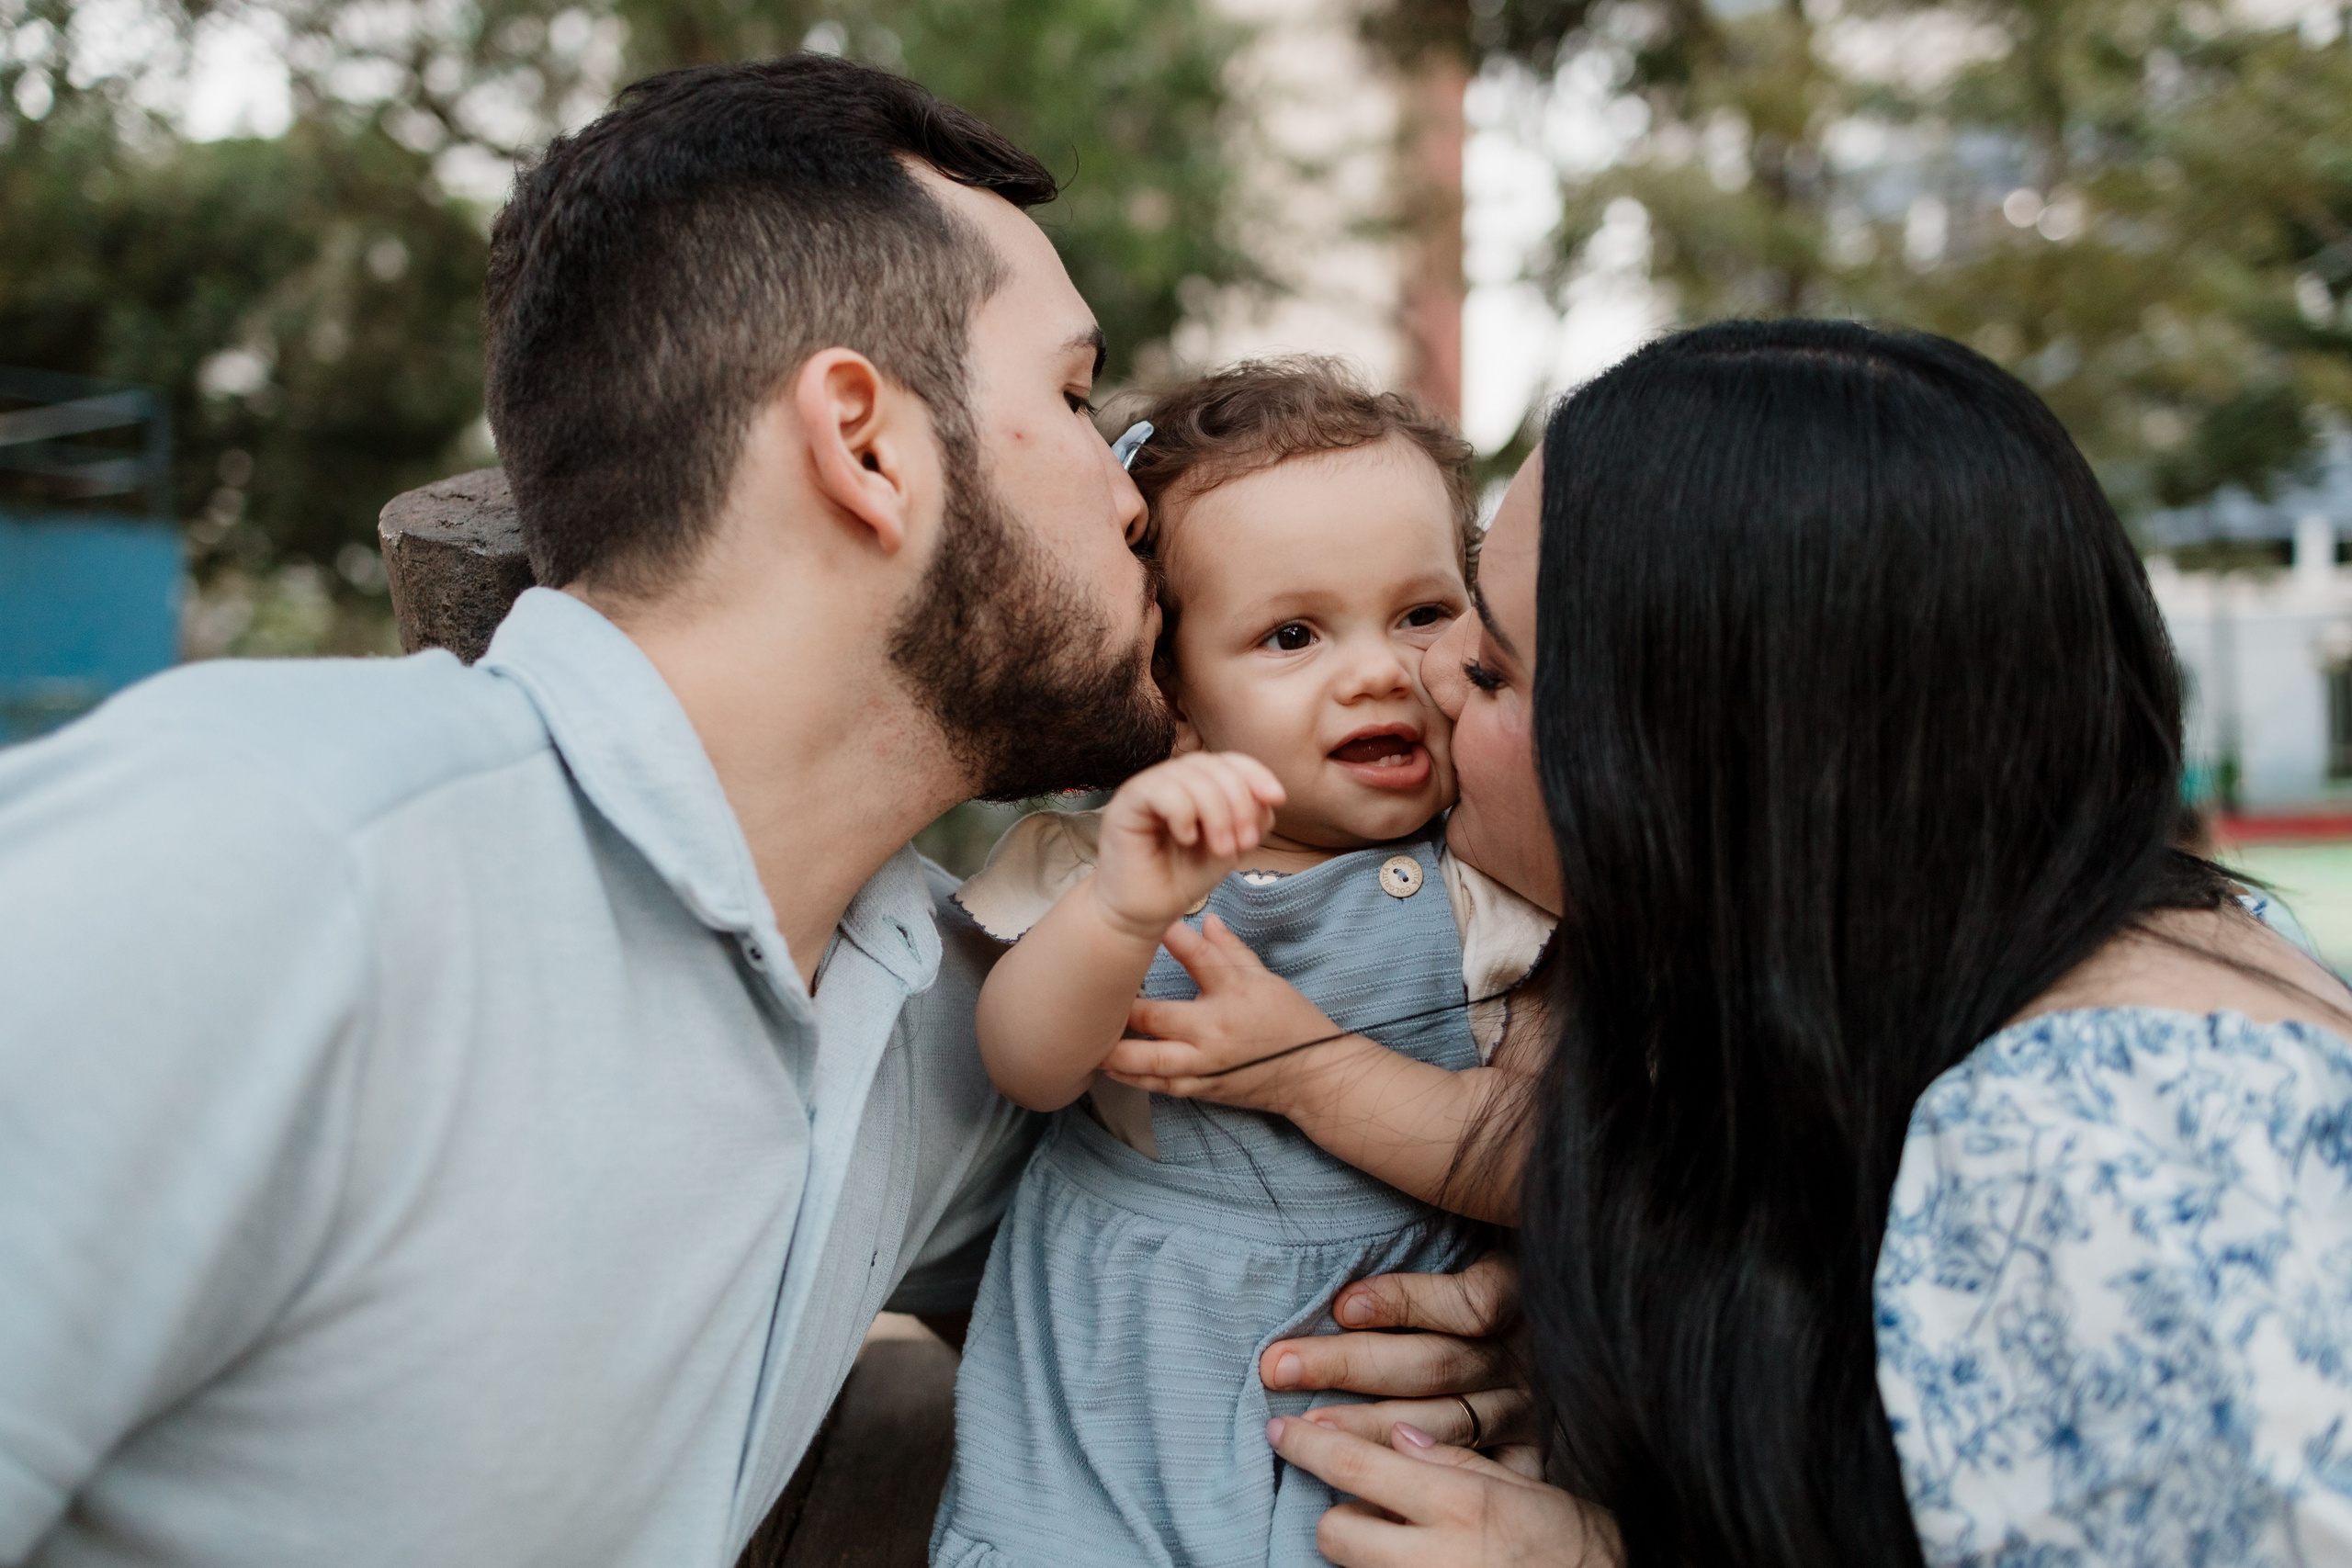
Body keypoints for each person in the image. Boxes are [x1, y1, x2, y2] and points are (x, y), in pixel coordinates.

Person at [0, 57, 1513, 1568]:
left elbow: (1254, 1210)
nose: (1137, 503)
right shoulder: (265, 855)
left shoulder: (949, 1020)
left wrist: (1519, 1311)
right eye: (1069, 398)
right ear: (864, 444)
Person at [1256, 319, 2352, 1566]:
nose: (1431, 672)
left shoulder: (2095, 1146)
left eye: (1498, 670)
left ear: (1696, 773)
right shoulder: (2019, 974)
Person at [925, 362, 1555, 1567]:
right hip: (1121, 1369)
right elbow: (1026, 1063)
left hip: (1369, 1368)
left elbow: (1545, 1154)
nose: (1377, 669)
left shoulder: (1489, 886)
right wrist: (1119, 914)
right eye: (1292, 634)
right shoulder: (1120, 862)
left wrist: (1317, 1072)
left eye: (1423, 612)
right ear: (1176, 693)